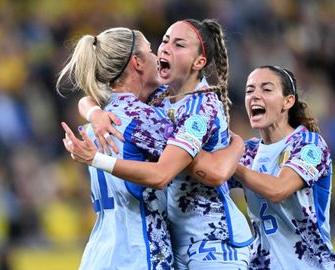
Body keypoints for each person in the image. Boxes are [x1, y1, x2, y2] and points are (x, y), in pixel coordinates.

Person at [63, 19, 254, 269]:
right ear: (137, 62)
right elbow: (205, 172)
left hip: (201, 243)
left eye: (177, 44)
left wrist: (93, 113)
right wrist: (237, 143)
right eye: (157, 45)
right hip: (142, 252)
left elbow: (89, 99)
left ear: (198, 62)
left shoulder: (109, 115)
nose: (161, 51)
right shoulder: (149, 114)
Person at [234, 65, 335, 269]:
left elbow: (278, 189)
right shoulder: (247, 152)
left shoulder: (309, 144)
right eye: (250, 90)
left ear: (288, 101)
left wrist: (232, 165)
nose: (255, 96)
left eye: (266, 89)